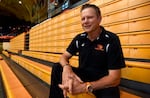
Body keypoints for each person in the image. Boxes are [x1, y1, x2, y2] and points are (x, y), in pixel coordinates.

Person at [49, 4, 125, 98]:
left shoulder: (111, 40)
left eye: (89, 17)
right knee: (57, 67)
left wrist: (85, 87)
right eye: (83, 18)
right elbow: (64, 56)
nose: (85, 21)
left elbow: (115, 78)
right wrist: (66, 67)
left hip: (103, 81)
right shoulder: (80, 38)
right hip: (83, 76)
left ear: (99, 19)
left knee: (112, 92)